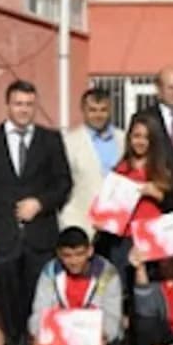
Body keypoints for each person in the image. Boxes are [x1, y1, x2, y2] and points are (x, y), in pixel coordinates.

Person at [0, 80, 73, 345]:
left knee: (40, 296)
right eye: (18, 104)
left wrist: (40, 203)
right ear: (8, 105)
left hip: (40, 234)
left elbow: (63, 183)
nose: (24, 110)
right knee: (9, 298)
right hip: (2, 234)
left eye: (29, 104)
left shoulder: (50, 140)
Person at [28, 227, 123, 345]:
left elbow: (113, 314)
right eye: (67, 256)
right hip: (63, 336)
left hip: (92, 335)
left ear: (90, 251)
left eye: (79, 254)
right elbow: (40, 309)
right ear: (59, 254)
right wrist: (38, 333)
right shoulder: (49, 272)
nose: (74, 261)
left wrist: (104, 335)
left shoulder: (107, 273)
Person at [109, 113, 173, 277]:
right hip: (124, 241)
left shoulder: (163, 170)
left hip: (154, 239)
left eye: (146, 137)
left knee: (151, 288)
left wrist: (158, 194)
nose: (140, 142)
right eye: (137, 136)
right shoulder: (120, 170)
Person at [59, 88, 124, 236]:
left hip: (118, 224)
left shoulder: (124, 140)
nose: (98, 115)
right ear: (83, 110)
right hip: (81, 222)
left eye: (103, 110)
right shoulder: (69, 143)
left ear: (110, 110)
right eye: (92, 110)